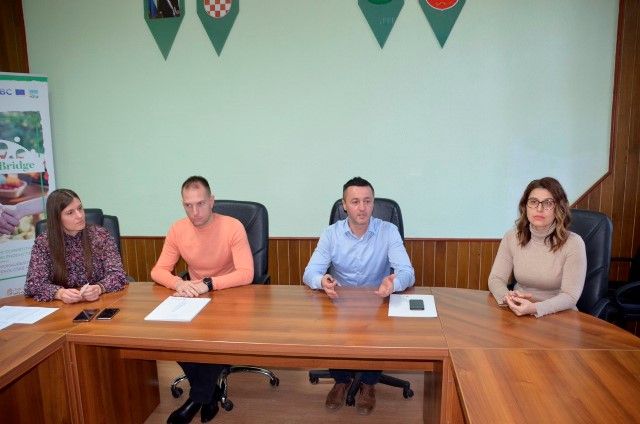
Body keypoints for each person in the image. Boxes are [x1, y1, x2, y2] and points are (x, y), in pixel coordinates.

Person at [303, 176, 415, 416]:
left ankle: (369, 383)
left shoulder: (388, 231)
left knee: (378, 328)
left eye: (367, 201)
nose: (362, 207)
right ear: (344, 205)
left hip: (378, 301)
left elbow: (407, 273)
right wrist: (322, 281)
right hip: (341, 301)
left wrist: (393, 284)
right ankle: (341, 381)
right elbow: (310, 272)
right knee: (333, 325)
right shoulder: (331, 234)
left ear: (373, 203)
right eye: (355, 202)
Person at [151, 176, 253, 424]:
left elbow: (246, 273)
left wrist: (208, 284)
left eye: (200, 204)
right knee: (172, 338)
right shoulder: (178, 229)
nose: (194, 212)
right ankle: (210, 393)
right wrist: (179, 283)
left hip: (230, 296)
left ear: (212, 201)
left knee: (218, 339)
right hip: (195, 298)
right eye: (188, 205)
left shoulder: (232, 226)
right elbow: (158, 271)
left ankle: (196, 399)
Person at [488, 177, 587, 317]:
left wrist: (534, 308)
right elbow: (496, 278)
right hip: (518, 311)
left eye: (548, 203)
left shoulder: (574, 243)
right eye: (533, 202)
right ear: (525, 206)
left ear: (559, 208)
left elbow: (570, 296)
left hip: (560, 317)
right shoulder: (512, 237)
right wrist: (508, 298)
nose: (539, 209)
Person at [24, 189, 127, 302]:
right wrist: (59, 293)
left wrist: (99, 288)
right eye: (70, 212)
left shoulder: (100, 235)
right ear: (56, 218)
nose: (80, 215)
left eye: (80, 208)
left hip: (100, 302)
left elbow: (118, 275)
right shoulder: (44, 242)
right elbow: (33, 285)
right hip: (61, 307)